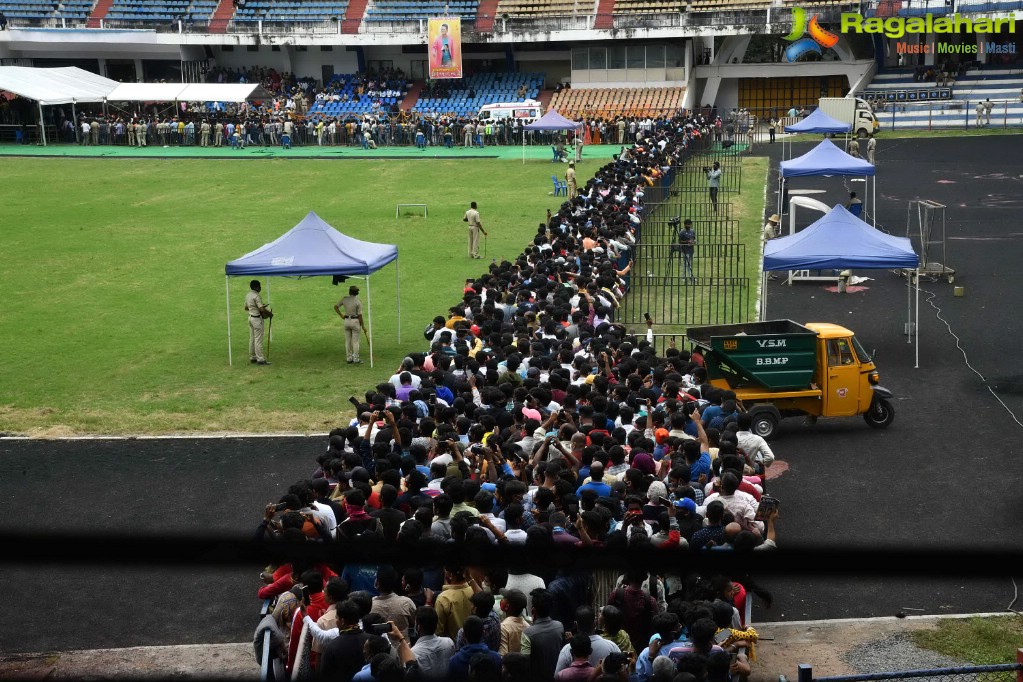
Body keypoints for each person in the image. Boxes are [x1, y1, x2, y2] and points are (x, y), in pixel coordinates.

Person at [334, 285, 367, 365]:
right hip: (355, 321)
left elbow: (335, 307)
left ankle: (349, 358)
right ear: (356, 293)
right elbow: (360, 316)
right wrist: (363, 326)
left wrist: (341, 315)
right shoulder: (358, 302)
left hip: (346, 321)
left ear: (349, 292)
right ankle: (356, 359)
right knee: (355, 342)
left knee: (348, 341)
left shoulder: (344, 299)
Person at [244, 280, 272, 365]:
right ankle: (260, 359)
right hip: (256, 319)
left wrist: (254, 308)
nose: (260, 288)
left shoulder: (248, 295)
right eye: (259, 286)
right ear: (256, 287)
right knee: (258, 340)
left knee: (252, 339)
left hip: (250, 318)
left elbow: (246, 307)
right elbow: (262, 309)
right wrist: (270, 314)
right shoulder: (256, 296)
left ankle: (253, 357)